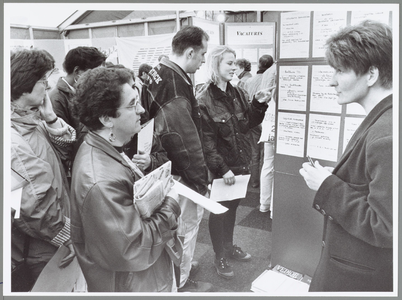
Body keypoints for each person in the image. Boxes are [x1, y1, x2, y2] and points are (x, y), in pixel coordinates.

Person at [299, 20, 393, 291]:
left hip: (360, 279)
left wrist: (327, 186)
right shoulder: (384, 121)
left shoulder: (386, 136)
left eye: (340, 70)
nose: (332, 81)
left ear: (372, 74)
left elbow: (386, 226)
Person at [70, 67, 181, 292]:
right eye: (131, 105)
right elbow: (133, 247)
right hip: (133, 284)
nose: (141, 109)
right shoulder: (100, 180)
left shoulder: (105, 149)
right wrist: (171, 204)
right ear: (106, 118)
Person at [145, 25, 213, 292]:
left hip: (164, 168)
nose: (204, 60)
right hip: (180, 174)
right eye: (203, 54)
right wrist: (200, 181)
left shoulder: (160, 74)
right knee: (185, 228)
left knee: (175, 229)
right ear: (190, 52)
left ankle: (179, 272)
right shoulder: (175, 85)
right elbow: (185, 142)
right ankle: (181, 280)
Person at [196, 45, 273, 279]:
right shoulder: (204, 98)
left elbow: (245, 124)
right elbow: (206, 142)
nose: (234, 67)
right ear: (215, 65)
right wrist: (223, 169)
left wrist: (258, 105)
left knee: (232, 209)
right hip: (222, 168)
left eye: (235, 62)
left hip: (239, 163)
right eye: (229, 63)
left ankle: (229, 247)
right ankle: (219, 254)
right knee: (219, 212)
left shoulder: (237, 92)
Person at [10, 48, 76, 290]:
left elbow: (65, 154)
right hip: (43, 246)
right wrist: (66, 234)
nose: (48, 87)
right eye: (42, 81)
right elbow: (33, 203)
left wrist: (50, 119)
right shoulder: (13, 137)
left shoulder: (28, 119)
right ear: (25, 84)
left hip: (49, 238)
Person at [49, 46, 107, 177]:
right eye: (94, 74)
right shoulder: (57, 99)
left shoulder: (84, 91)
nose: (98, 79)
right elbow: (62, 145)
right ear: (77, 71)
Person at [244, 55, 274, 188]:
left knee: (254, 152)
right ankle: (265, 184)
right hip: (266, 119)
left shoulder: (248, 81)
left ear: (259, 65)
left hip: (253, 119)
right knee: (267, 155)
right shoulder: (272, 80)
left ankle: (254, 182)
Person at [258, 62, 277, 214]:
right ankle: (272, 208)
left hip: (268, 120)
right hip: (278, 120)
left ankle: (264, 203)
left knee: (268, 164)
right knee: (277, 167)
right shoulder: (281, 69)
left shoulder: (268, 71)